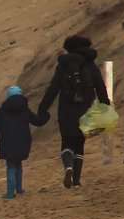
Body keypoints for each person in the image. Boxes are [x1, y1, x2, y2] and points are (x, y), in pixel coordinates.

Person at [36, 35, 110, 189]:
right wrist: (105, 106)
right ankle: (76, 181)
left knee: (67, 142)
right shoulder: (90, 64)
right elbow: (100, 87)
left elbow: (53, 89)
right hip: (86, 110)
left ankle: (68, 166)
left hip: (66, 110)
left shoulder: (63, 65)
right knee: (79, 144)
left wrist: (42, 108)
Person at [0, 86, 51, 198]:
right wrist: (46, 115)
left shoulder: (2, 111)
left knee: (11, 167)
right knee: (18, 164)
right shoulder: (25, 110)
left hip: (7, 143)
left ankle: (9, 194)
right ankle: (19, 189)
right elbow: (37, 121)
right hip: (23, 142)